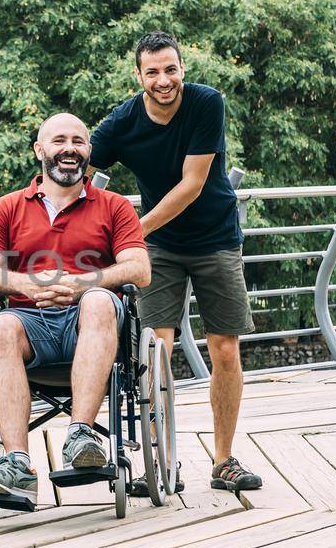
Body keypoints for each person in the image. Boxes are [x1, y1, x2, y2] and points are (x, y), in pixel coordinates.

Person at [90, 31, 262, 492]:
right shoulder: (124, 120)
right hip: (159, 250)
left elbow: (191, 185)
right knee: (156, 352)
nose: (163, 80)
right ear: (139, 75)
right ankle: (159, 462)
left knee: (224, 348)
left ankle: (224, 460)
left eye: (171, 69)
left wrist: (131, 233)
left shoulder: (207, 104)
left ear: (182, 68)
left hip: (215, 239)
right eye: (153, 72)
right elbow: (79, 168)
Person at [0, 113, 150, 502]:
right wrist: (25, 285)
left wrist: (84, 283)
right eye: (59, 141)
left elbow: (139, 268)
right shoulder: (7, 207)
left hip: (91, 321)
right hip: (30, 324)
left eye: (79, 142)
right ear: (40, 150)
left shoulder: (114, 206)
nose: (70, 149)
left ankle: (81, 435)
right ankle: (17, 463)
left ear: (88, 152)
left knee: (100, 301)